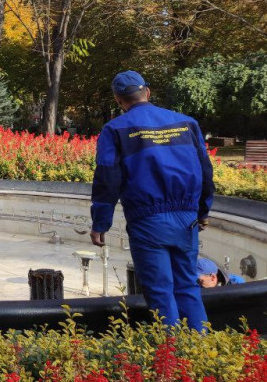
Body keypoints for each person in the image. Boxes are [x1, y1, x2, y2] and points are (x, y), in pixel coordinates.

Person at [90, 70, 214, 331]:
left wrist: (101, 222)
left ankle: (171, 351)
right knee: (187, 286)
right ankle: (200, 346)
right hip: (186, 219)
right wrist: (203, 211)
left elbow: (107, 179)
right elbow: (205, 170)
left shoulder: (115, 129)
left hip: (147, 220)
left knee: (160, 290)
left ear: (118, 100)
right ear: (147, 91)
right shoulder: (186, 123)